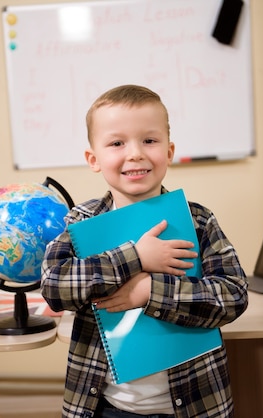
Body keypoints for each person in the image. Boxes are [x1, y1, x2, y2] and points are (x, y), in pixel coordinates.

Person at [41, 85, 248, 418]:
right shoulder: (81, 222)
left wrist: (151, 292)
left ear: (169, 152)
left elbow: (233, 295)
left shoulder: (198, 220)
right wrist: (134, 258)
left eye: (149, 141)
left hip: (194, 404)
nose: (135, 153)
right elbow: (54, 287)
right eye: (117, 143)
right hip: (106, 406)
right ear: (94, 159)